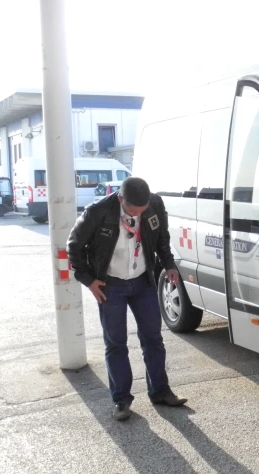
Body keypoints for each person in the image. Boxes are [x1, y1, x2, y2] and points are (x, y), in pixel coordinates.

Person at [67, 176, 187, 421]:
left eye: (142, 211)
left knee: (153, 338)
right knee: (116, 343)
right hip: (111, 285)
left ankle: (160, 391)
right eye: (133, 210)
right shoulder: (97, 212)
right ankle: (121, 400)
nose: (138, 215)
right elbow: (74, 247)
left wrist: (169, 264)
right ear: (121, 199)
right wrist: (89, 280)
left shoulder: (154, 204)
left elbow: (162, 238)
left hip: (143, 281)